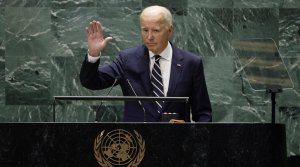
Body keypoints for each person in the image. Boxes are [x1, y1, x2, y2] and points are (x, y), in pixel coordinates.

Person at [80, 5, 212, 122]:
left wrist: (196, 144)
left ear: (169, 31)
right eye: (145, 30)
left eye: (156, 30)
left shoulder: (191, 63)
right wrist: (93, 53)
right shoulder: (127, 59)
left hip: (177, 144)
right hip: (135, 144)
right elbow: (91, 82)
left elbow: (203, 113)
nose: (149, 37)